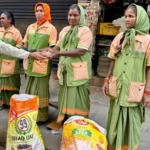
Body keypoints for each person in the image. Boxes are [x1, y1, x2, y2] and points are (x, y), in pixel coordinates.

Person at [102, 3, 150, 150]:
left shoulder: (147, 40)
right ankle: (113, 146)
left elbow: (149, 68)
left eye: (131, 16)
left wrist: (147, 92)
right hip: (118, 85)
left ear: (140, 18)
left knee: (131, 121)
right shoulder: (120, 36)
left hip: (134, 90)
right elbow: (112, 61)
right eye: (126, 16)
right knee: (114, 117)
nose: (127, 19)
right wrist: (106, 80)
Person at [41, 4, 93, 126]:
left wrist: (58, 53)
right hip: (66, 69)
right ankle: (64, 119)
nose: (72, 17)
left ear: (81, 16)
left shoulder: (85, 30)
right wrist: (46, 51)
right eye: (70, 15)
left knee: (78, 96)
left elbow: (81, 51)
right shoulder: (64, 30)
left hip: (79, 70)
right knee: (65, 94)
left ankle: (78, 121)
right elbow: (57, 46)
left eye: (75, 15)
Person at [23, 2, 57, 122]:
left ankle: (40, 117)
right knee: (29, 88)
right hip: (30, 63)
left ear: (46, 12)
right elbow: (24, 43)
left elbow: (52, 48)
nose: (38, 13)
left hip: (41, 64)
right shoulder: (30, 27)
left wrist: (38, 51)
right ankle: (29, 114)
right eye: (37, 11)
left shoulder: (51, 29)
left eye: (41, 11)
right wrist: (26, 51)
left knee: (40, 90)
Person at [0, 12, 23, 108]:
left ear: (10, 20)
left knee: (12, 83)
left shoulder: (16, 32)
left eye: (3, 18)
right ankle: (2, 102)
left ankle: (12, 103)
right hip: (1, 62)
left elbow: (19, 46)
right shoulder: (0, 31)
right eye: (0, 18)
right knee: (1, 83)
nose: (1, 20)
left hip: (11, 63)